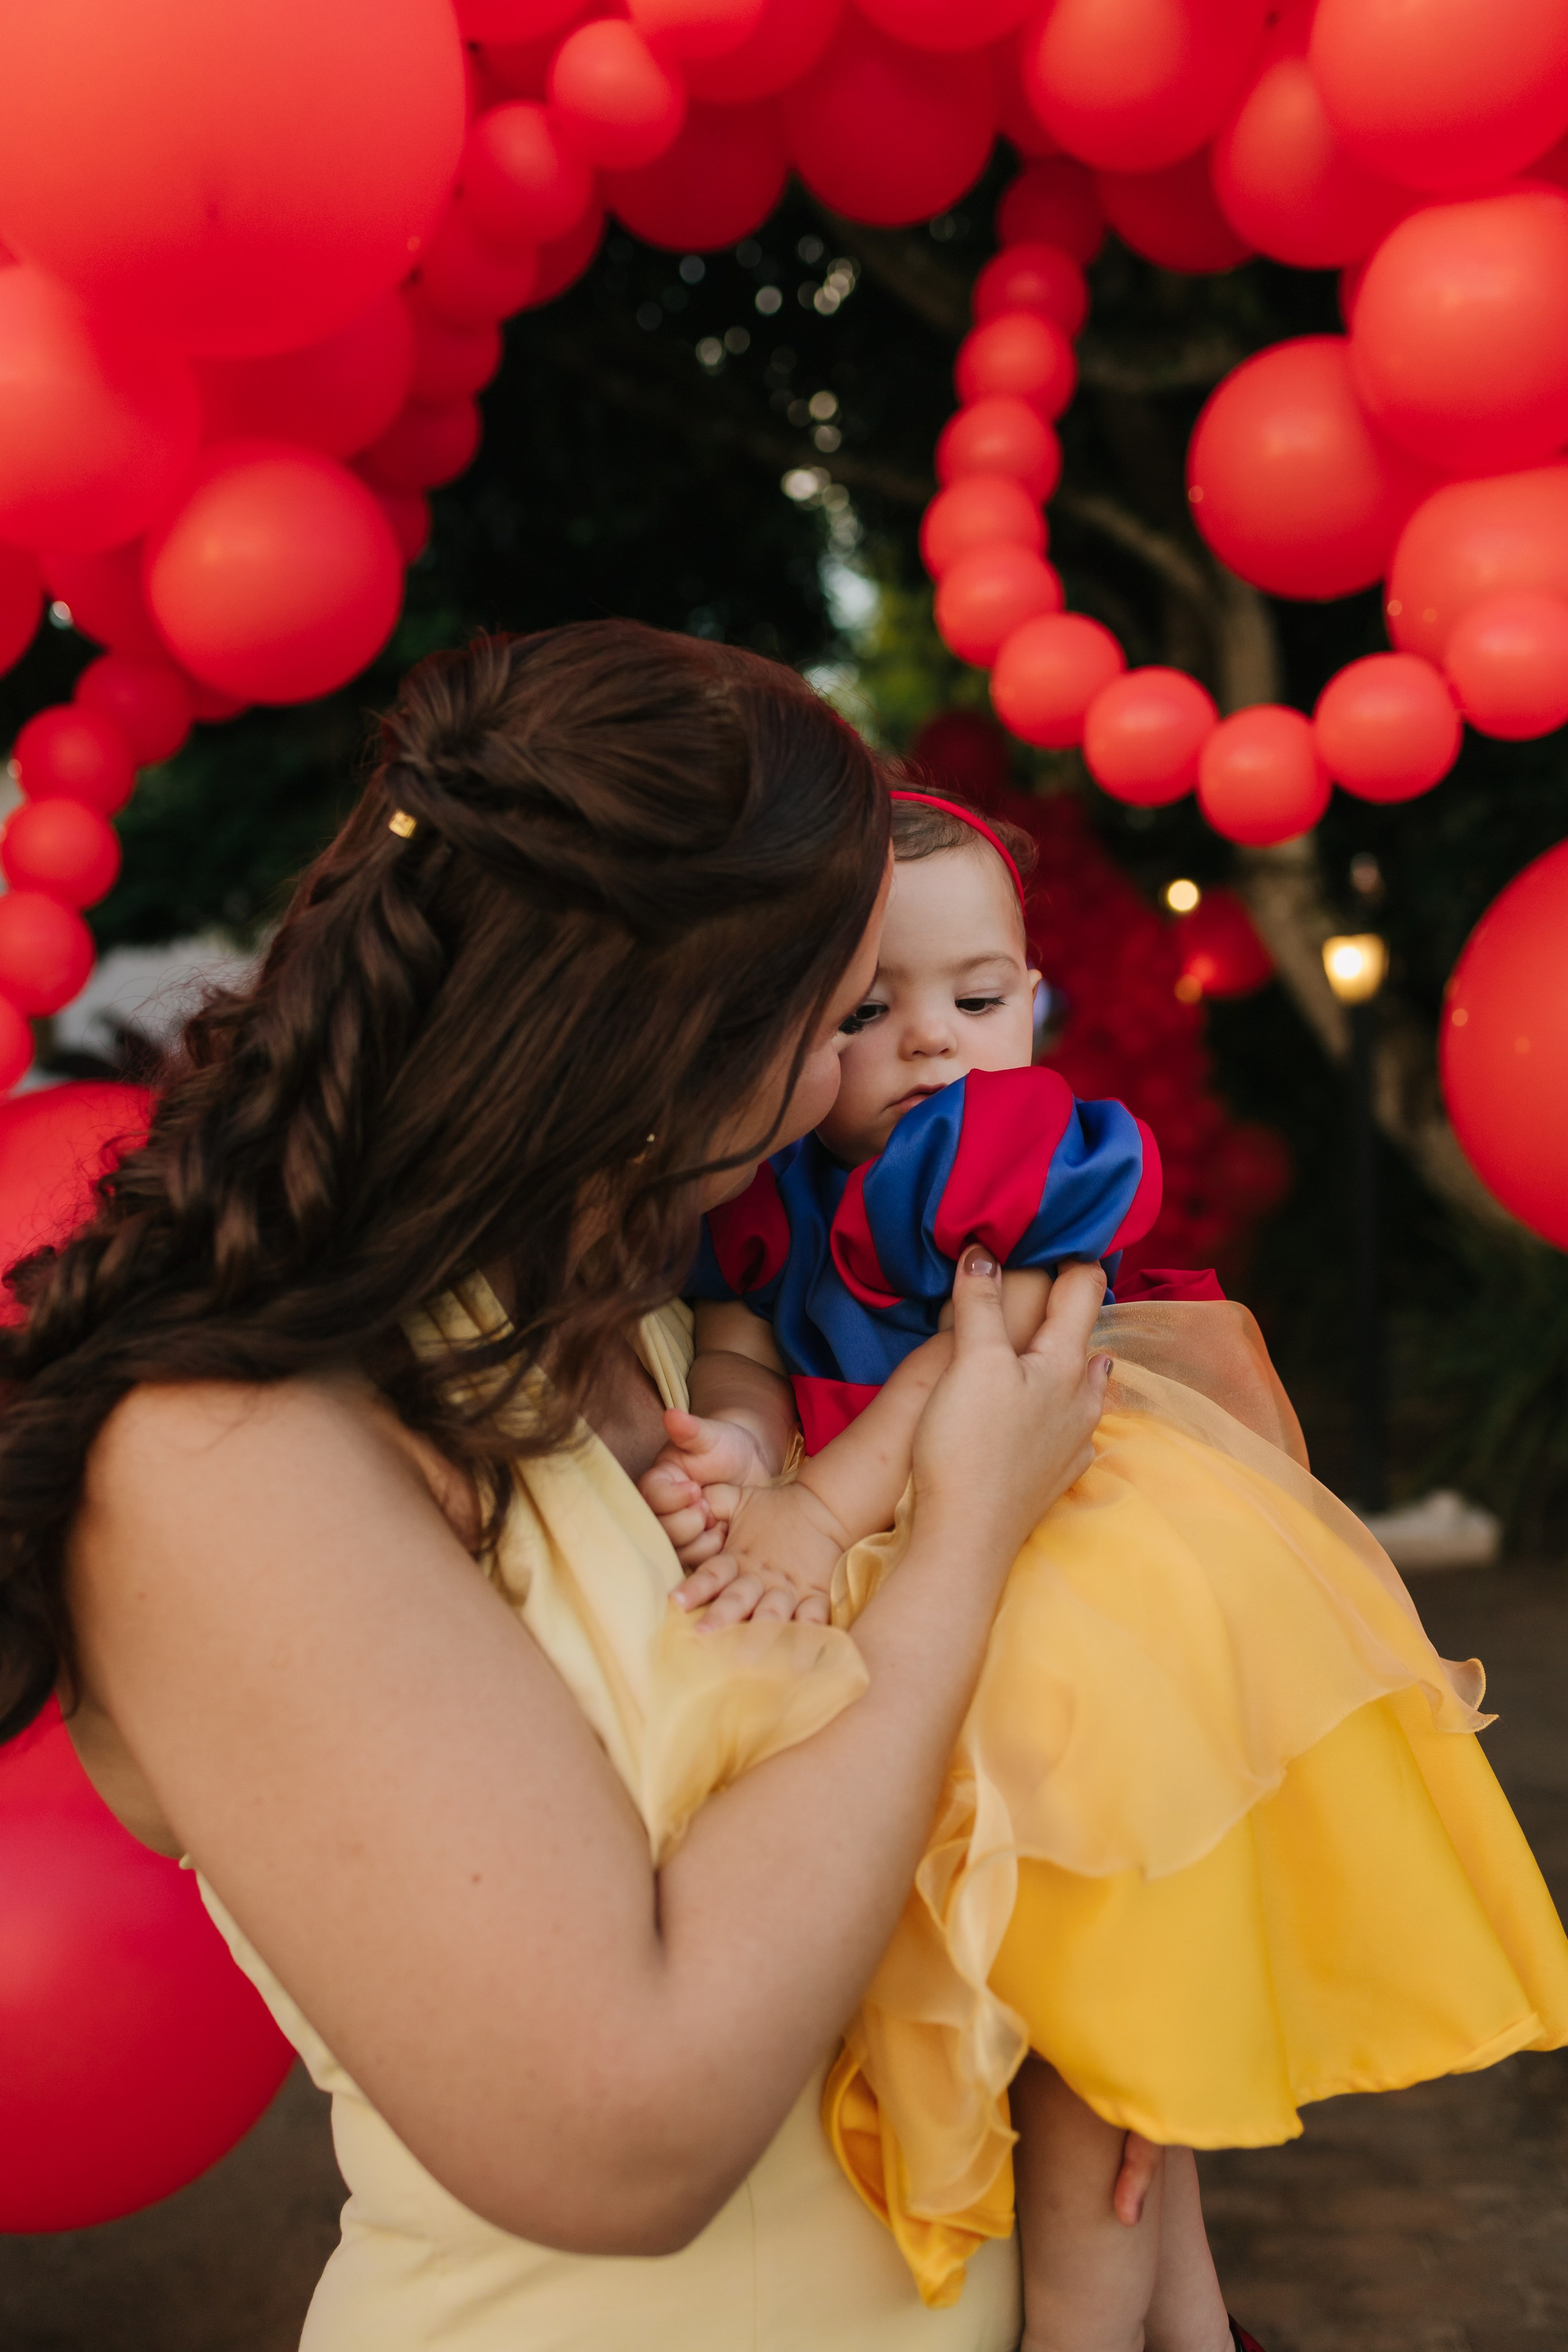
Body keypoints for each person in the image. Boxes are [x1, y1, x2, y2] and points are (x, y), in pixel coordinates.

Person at [0, 627, 1120, 2352]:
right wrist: (961, 1540)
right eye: (837, 1018)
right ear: (679, 1047)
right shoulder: (227, 1456)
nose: (861, 1077)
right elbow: (622, 2139)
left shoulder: (675, 1343)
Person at [644, 783, 1568, 2352]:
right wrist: (735, 1439)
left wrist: (813, 1513)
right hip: (926, 1562)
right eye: (867, 1009)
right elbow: (738, 1335)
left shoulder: (1005, 1148)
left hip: (1064, 1581)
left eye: (975, 999)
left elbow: (987, 1353)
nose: (929, 1042)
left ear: (1032, 1000)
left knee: (1083, 2046)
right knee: (1103, 2067)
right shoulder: (773, 1182)